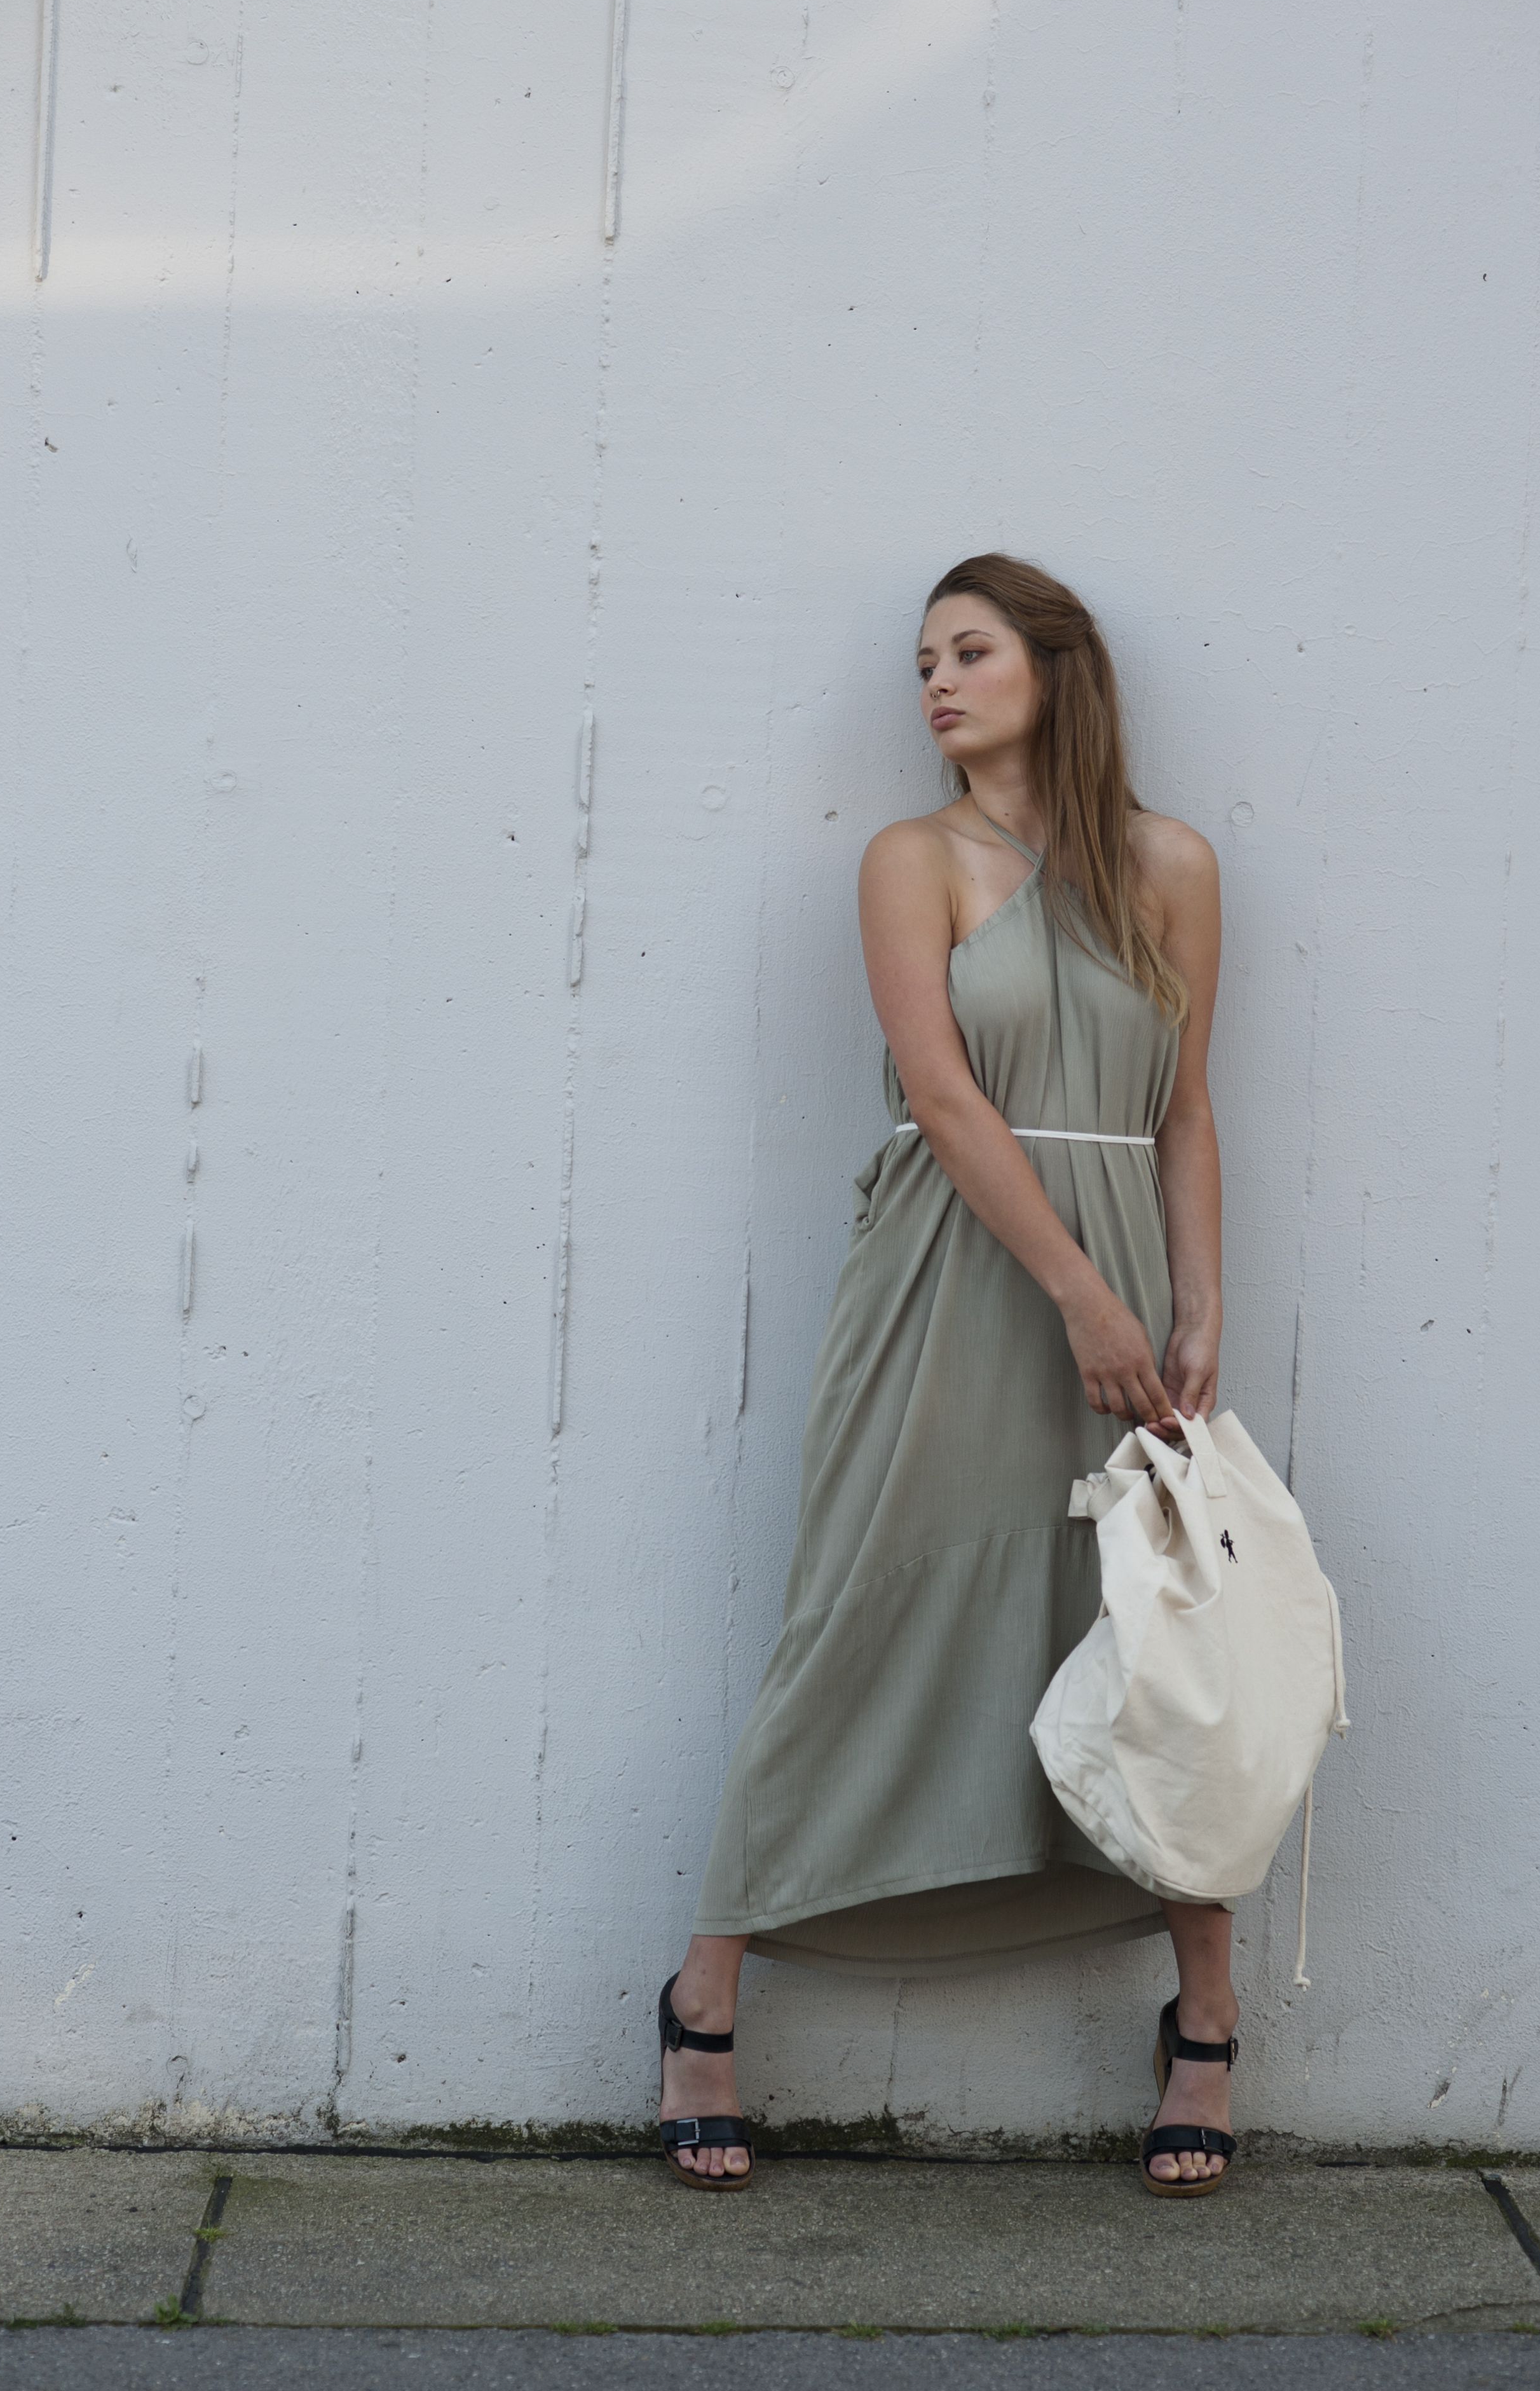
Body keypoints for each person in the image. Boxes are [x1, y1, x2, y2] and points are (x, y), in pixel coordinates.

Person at [656, 554, 1235, 2198]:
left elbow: (1188, 1110)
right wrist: (1081, 1298)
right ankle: (705, 1998)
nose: (935, 682)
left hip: (1123, 1281)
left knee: (1149, 1632)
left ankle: (1205, 2015)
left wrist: (1193, 1303)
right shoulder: (911, 860)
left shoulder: (1172, 866)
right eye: (924, 660)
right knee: (862, 1603)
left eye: (969, 651)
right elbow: (949, 1096)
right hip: (958, 1273)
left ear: (1057, 666)